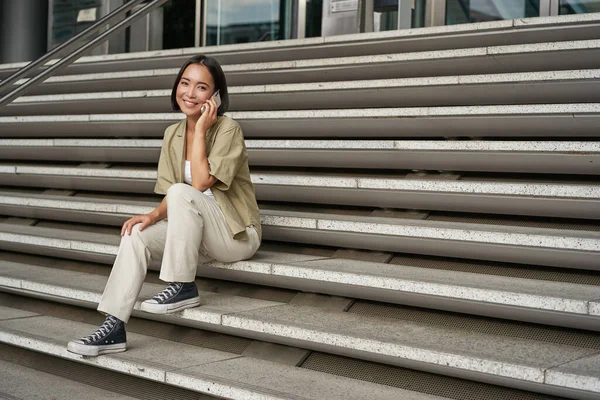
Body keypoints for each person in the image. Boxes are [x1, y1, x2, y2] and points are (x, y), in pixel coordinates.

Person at [67, 55, 261, 356]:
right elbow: (175, 194)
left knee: (183, 191)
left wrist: (199, 132)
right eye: (185, 83)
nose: (190, 93)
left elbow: (197, 185)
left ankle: (182, 285)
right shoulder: (173, 134)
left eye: (201, 87)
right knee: (136, 234)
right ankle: (114, 327)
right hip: (196, 234)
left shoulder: (228, 130)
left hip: (235, 235)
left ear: (216, 96)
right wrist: (153, 215)